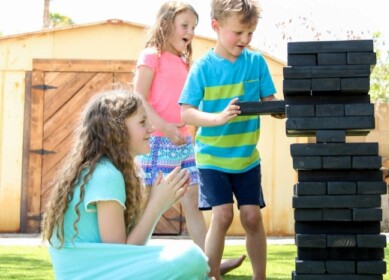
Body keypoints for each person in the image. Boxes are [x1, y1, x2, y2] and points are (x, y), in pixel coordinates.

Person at [41, 89, 210, 280]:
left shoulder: (108, 170)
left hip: (98, 270)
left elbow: (128, 255)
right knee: (191, 256)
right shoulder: (106, 175)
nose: (152, 128)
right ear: (117, 129)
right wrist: (156, 205)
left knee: (185, 254)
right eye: (142, 122)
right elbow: (120, 255)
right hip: (91, 274)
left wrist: (159, 203)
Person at [133, 1, 245, 275]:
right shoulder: (151, 55)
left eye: (194, 27)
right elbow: (137, 96)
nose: (190, 32)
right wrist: (163, 127)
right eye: (185, 25)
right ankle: (129, 259)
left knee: (193, 200)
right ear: (166, 25)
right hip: (155, 141)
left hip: (182, 141)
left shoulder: (185, 63)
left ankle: (209, 265)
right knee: (146, 201)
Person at [178, 0, 282, 279]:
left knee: (252, 217)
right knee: (222, 216)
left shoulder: (256, 62)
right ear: (216, 26)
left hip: (246, 158)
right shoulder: (203, 68)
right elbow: (186, 112)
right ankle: (213, 276)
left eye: (250, 33)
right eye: (238, 33)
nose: (245, 40)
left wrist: (279, 110)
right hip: (212, 157)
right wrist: (217, 118)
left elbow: (269, 100)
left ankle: (260, 277)